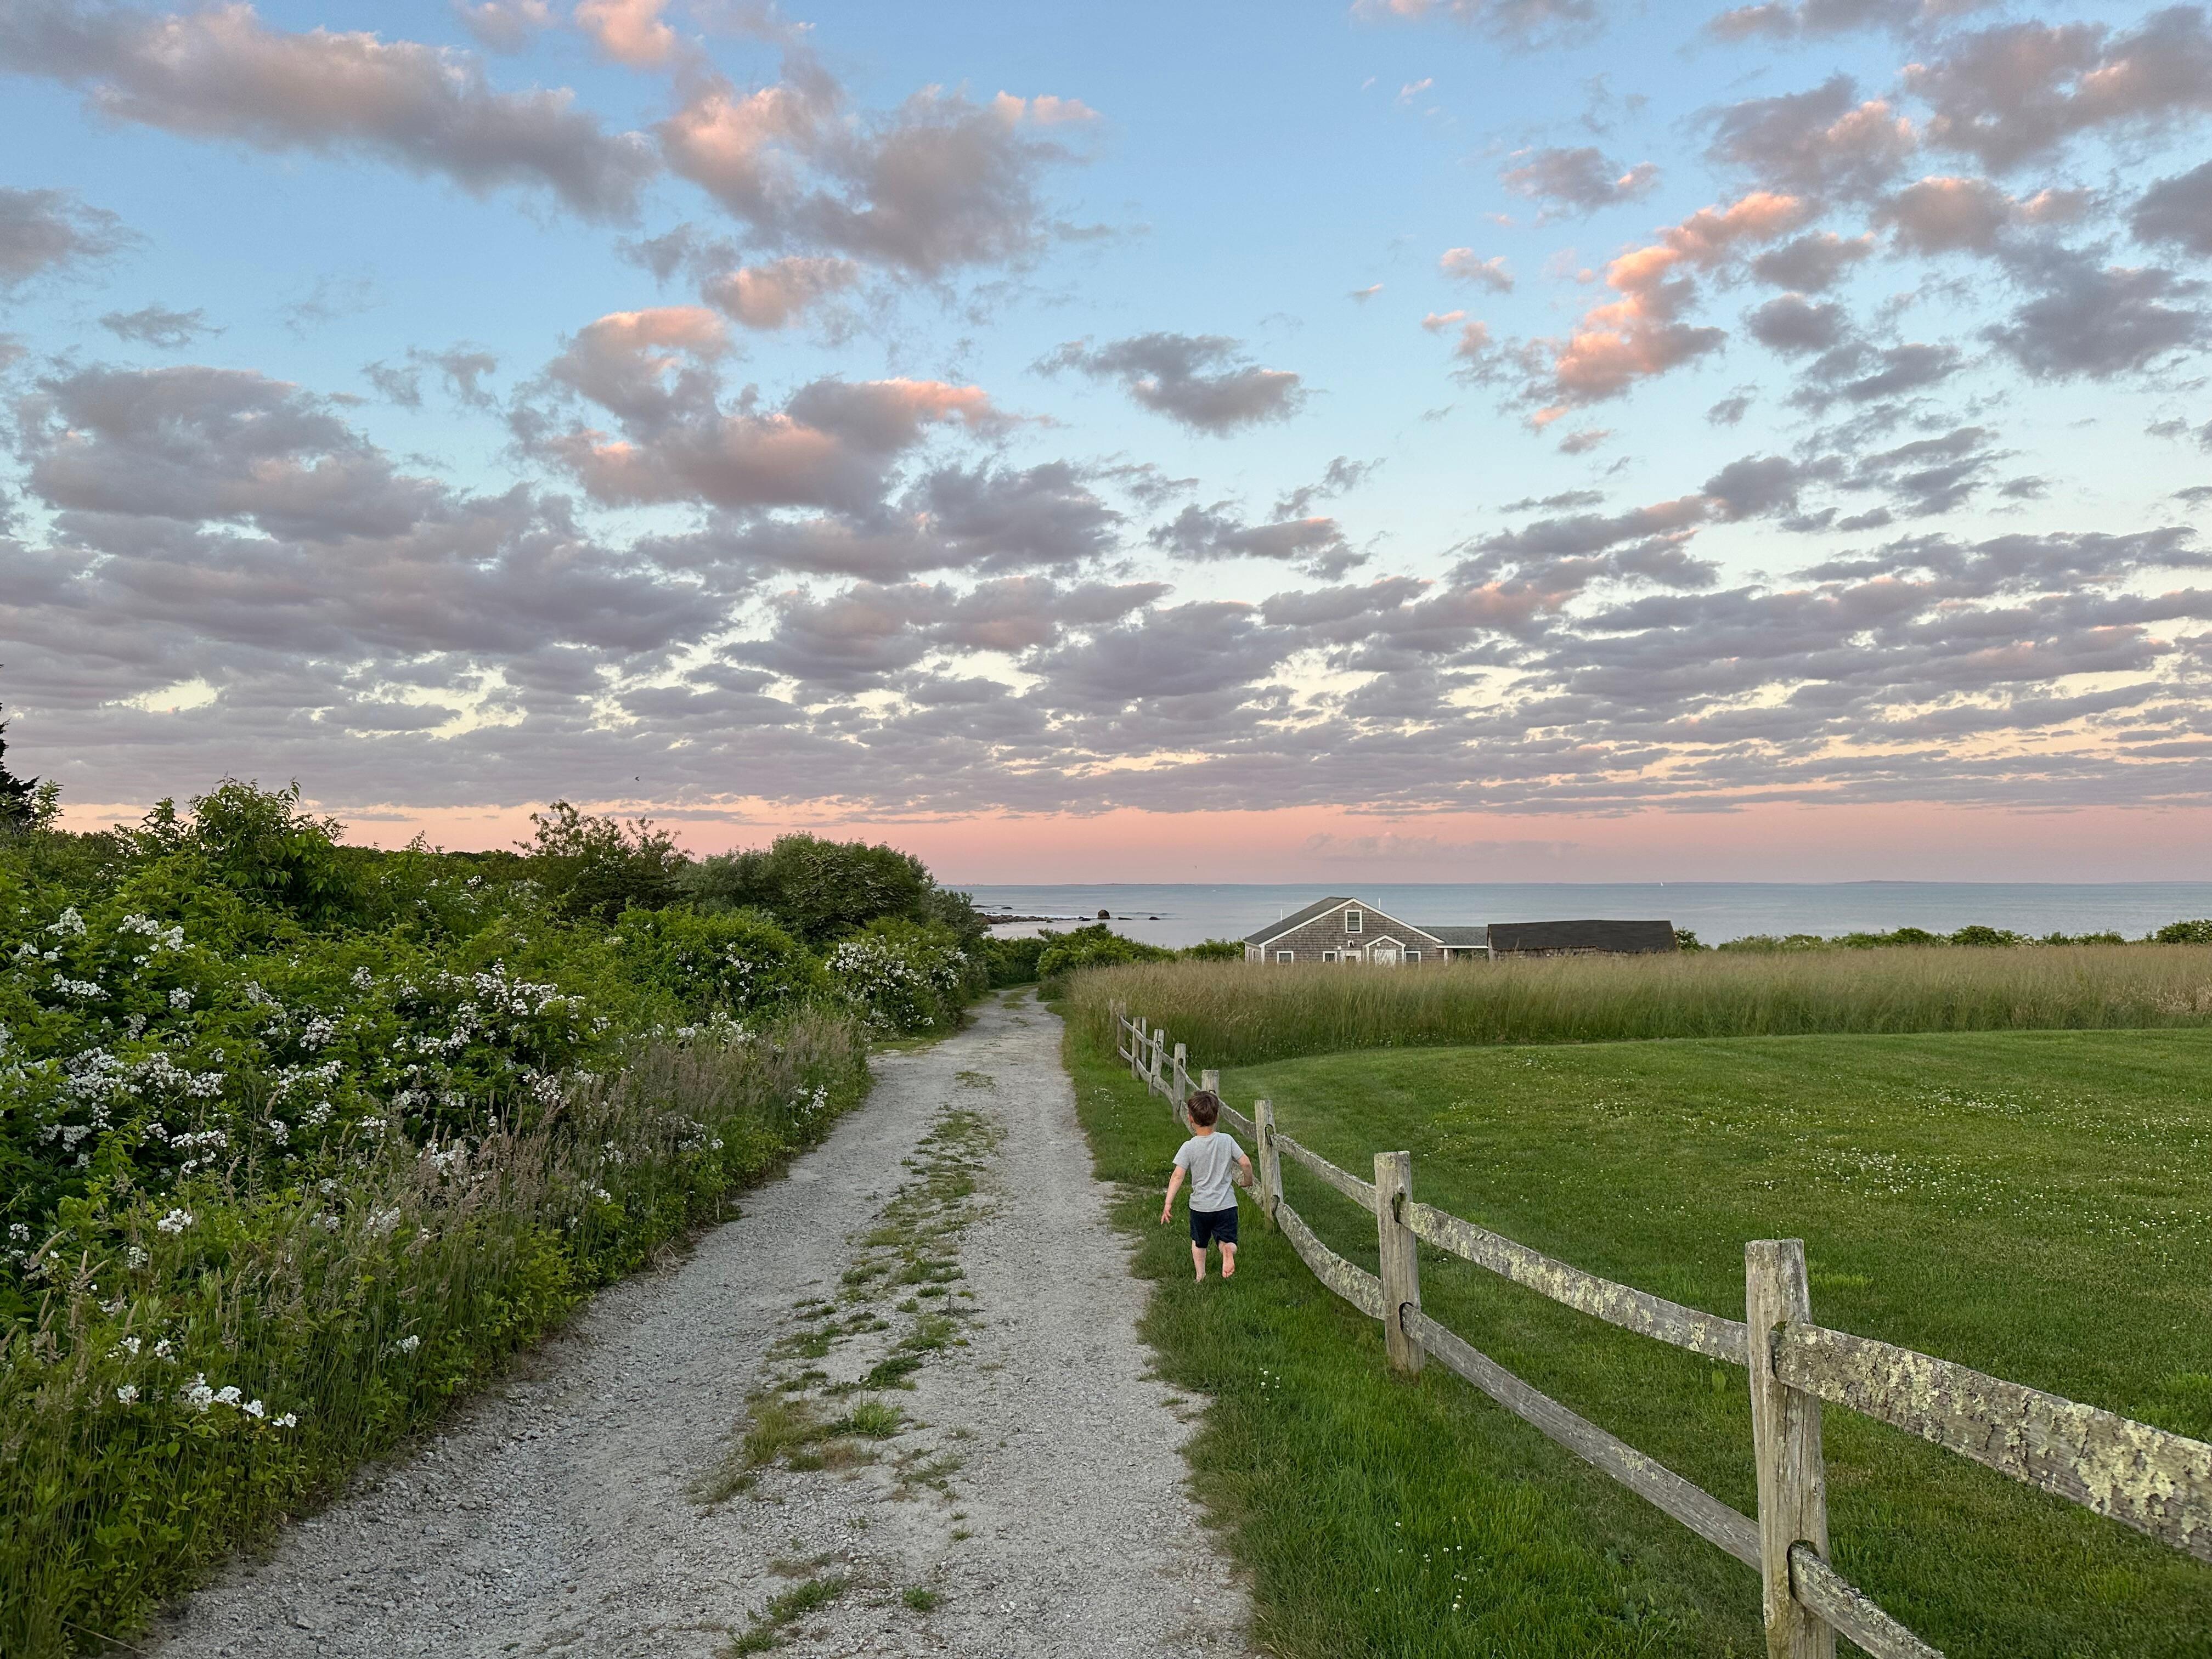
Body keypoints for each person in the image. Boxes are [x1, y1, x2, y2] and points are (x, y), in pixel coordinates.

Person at [1159, 1090, 1254, 1281]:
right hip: (1226, 1205)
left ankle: (1200, 1276)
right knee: (1228, 1239)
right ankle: (1227, 1251)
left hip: (1200, 1207)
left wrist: (1168, 1203)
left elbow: (1177, 1176)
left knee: (1199, 1242)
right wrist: (1248, 1181)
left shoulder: (1189, 1147)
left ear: (1190, 1118)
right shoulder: (1226, 1140)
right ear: (1217, 1116)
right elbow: (1245, 1163)